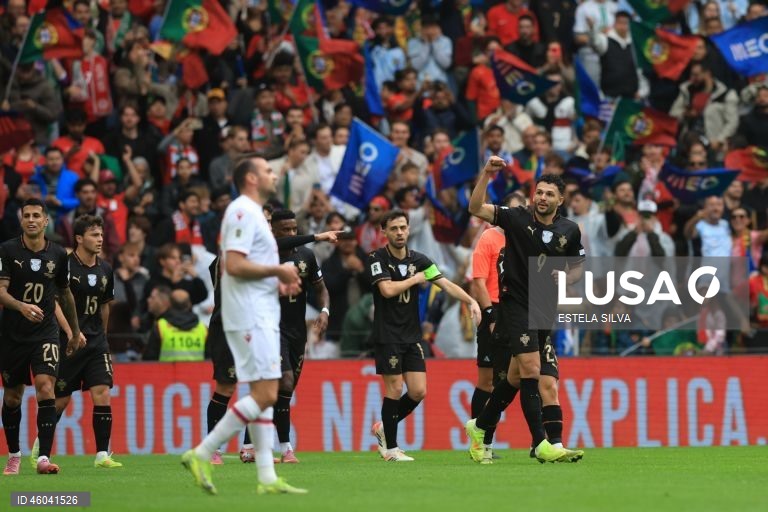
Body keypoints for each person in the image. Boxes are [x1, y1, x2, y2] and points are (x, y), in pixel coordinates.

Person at [181, 156, 307, 495]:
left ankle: (266, 476)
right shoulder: (241, 211)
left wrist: (275, 283)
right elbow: (233, 265)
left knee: (262, 395)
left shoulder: (255, 215)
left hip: (259, 310)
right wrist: (279, 272)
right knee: (268, 392)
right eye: (267, 170)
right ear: (251, 178)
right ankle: (203, 452)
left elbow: (249, 267)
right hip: (249, 316)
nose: (274, 173)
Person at [466, 157, 585, 464]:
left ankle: (480, 426)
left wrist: (566, 276)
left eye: (549, 194)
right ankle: (541, 443)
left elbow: (577, 267)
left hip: (544, 308)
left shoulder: (570, 230)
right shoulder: (517, 218)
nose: (542, 198)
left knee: (518, 377)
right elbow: (475, 208)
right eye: (539, 192)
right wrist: (486, 175)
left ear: (560, 200)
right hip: (514, 304)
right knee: (532, 369)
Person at [368, 210, 481, 462]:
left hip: (411, 335)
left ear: (409, 230)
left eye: (403, 228)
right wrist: (414, 279)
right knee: (395, 388)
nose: (399, 233)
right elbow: (386, 290)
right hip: (388, 335)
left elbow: (445, 283)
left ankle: (384, 428)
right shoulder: (378, 258)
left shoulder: (420, 260)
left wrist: (471, 299)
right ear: (383, 232)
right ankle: (391, 449)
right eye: (394, 228)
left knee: (418, 391)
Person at [0, 199, 83, 475]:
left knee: (46, 386)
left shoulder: (59, 254)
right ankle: (14, 454)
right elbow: (0, 291)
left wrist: (74, 331)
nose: (32, 219)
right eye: (27, 216)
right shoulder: (8, 250)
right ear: (21, 220)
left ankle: (44, 457)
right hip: (13, 335)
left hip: (45, 332)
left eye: (37, 215)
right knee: (12, 397)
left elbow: (65, 294)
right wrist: (21, 306)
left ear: (46, 221)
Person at [43, 215, 122, 468]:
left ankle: (101, 455)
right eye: (94, 235)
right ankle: (41, 447)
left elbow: (105, 307)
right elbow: (54, 302)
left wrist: (104, 339)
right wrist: (71, 332)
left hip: (96, 343)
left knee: (102, 392)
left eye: (100, 235)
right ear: (79, 238)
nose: (100, 240)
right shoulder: (65, 265)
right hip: (68, 341)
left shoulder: (105, 268)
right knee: (60, 401)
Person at [270, 209, 330, 463]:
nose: (292, 234)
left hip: (298, 333)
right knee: (283, 382)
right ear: (273, 231)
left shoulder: (306, 255)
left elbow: (320, 288)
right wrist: (317, 235)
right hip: (272, 329)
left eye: (295, 229)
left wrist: (325, 310)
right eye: (286, 230)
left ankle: (250, 443)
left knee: (284, 391)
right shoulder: (265, 255)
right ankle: (286, 448)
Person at [469, 193, 525, 455]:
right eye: (513, 210)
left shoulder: (525, 238)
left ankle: (487, 437)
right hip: (495, 309)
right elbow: (478, 280)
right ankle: (482, 441)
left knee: (513, 378)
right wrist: (489, 315)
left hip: (519, 311)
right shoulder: (490, 237)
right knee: (488, 380)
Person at [143, 289, 207, 361]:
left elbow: (149, 359)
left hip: (166, 372)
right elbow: (210, 360)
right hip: (196, 372)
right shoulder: (203, 329)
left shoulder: (160, 327)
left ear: (169, 304)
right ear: (189, 304)